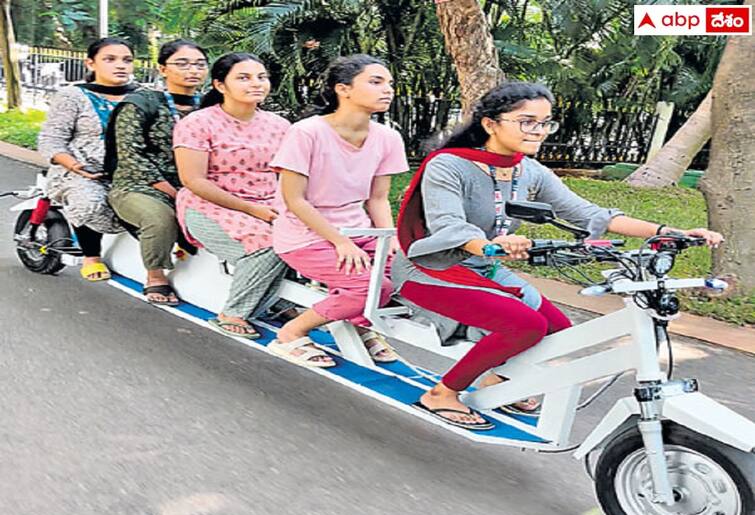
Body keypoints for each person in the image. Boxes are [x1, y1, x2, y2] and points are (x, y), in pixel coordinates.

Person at [393, 81, 724, 430]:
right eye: (526, 121)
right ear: (490, 124)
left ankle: (495, 380)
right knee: (524, 325)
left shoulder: (529, 171)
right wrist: (492, 246)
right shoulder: (448, 165)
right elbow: (449, 226)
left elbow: (589, 214)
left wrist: (668, 232)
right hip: (431, 269)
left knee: (558, 329)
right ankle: (442, 393)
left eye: (545, 122)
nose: (538, 131)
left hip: (484, 269)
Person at [267, 54, 409, 368]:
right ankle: (292, 333)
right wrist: (340, 242)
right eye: (375, 82)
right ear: (343, 89)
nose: (387, 89)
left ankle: (360, 324)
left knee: (405, 273)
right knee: (370, 287)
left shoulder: (388, 138)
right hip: (305, 236)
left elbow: (378, 199)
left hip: (359, 229)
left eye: (389, 83)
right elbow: (295, 200)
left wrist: (393, 241)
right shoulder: (307, 132)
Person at [173, 52, 291, 338]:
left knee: (311, 236)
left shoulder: (280, 126)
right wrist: (253, 211)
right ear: (220, 85)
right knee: (268, 244)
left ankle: (285, 301)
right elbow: (193, 180)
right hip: (210, 204)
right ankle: (234, 313)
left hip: (270, 203)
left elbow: (290, 176)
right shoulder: (197, 123)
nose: (256, 84)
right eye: (244, 77)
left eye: (261, 77)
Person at [107, 39, 209, 305]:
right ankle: (155, 275)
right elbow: (131, 156)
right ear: (163, 69)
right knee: (160, 218)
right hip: (138, 186)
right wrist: (175, 192)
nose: (193, 70)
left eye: (200, 64)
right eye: (182, 63)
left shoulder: (210, 107)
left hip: (196, 186)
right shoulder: (141, 103)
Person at [38, 38, 138, 282]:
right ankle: (91, 255)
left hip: (132, 172)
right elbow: (51, 139)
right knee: (89, 200)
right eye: (110, 59)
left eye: (127, 60)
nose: (120, 66)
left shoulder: (144, 96)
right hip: (79, 172)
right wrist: (76, 166)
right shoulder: (72, 96)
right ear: (91, 63)